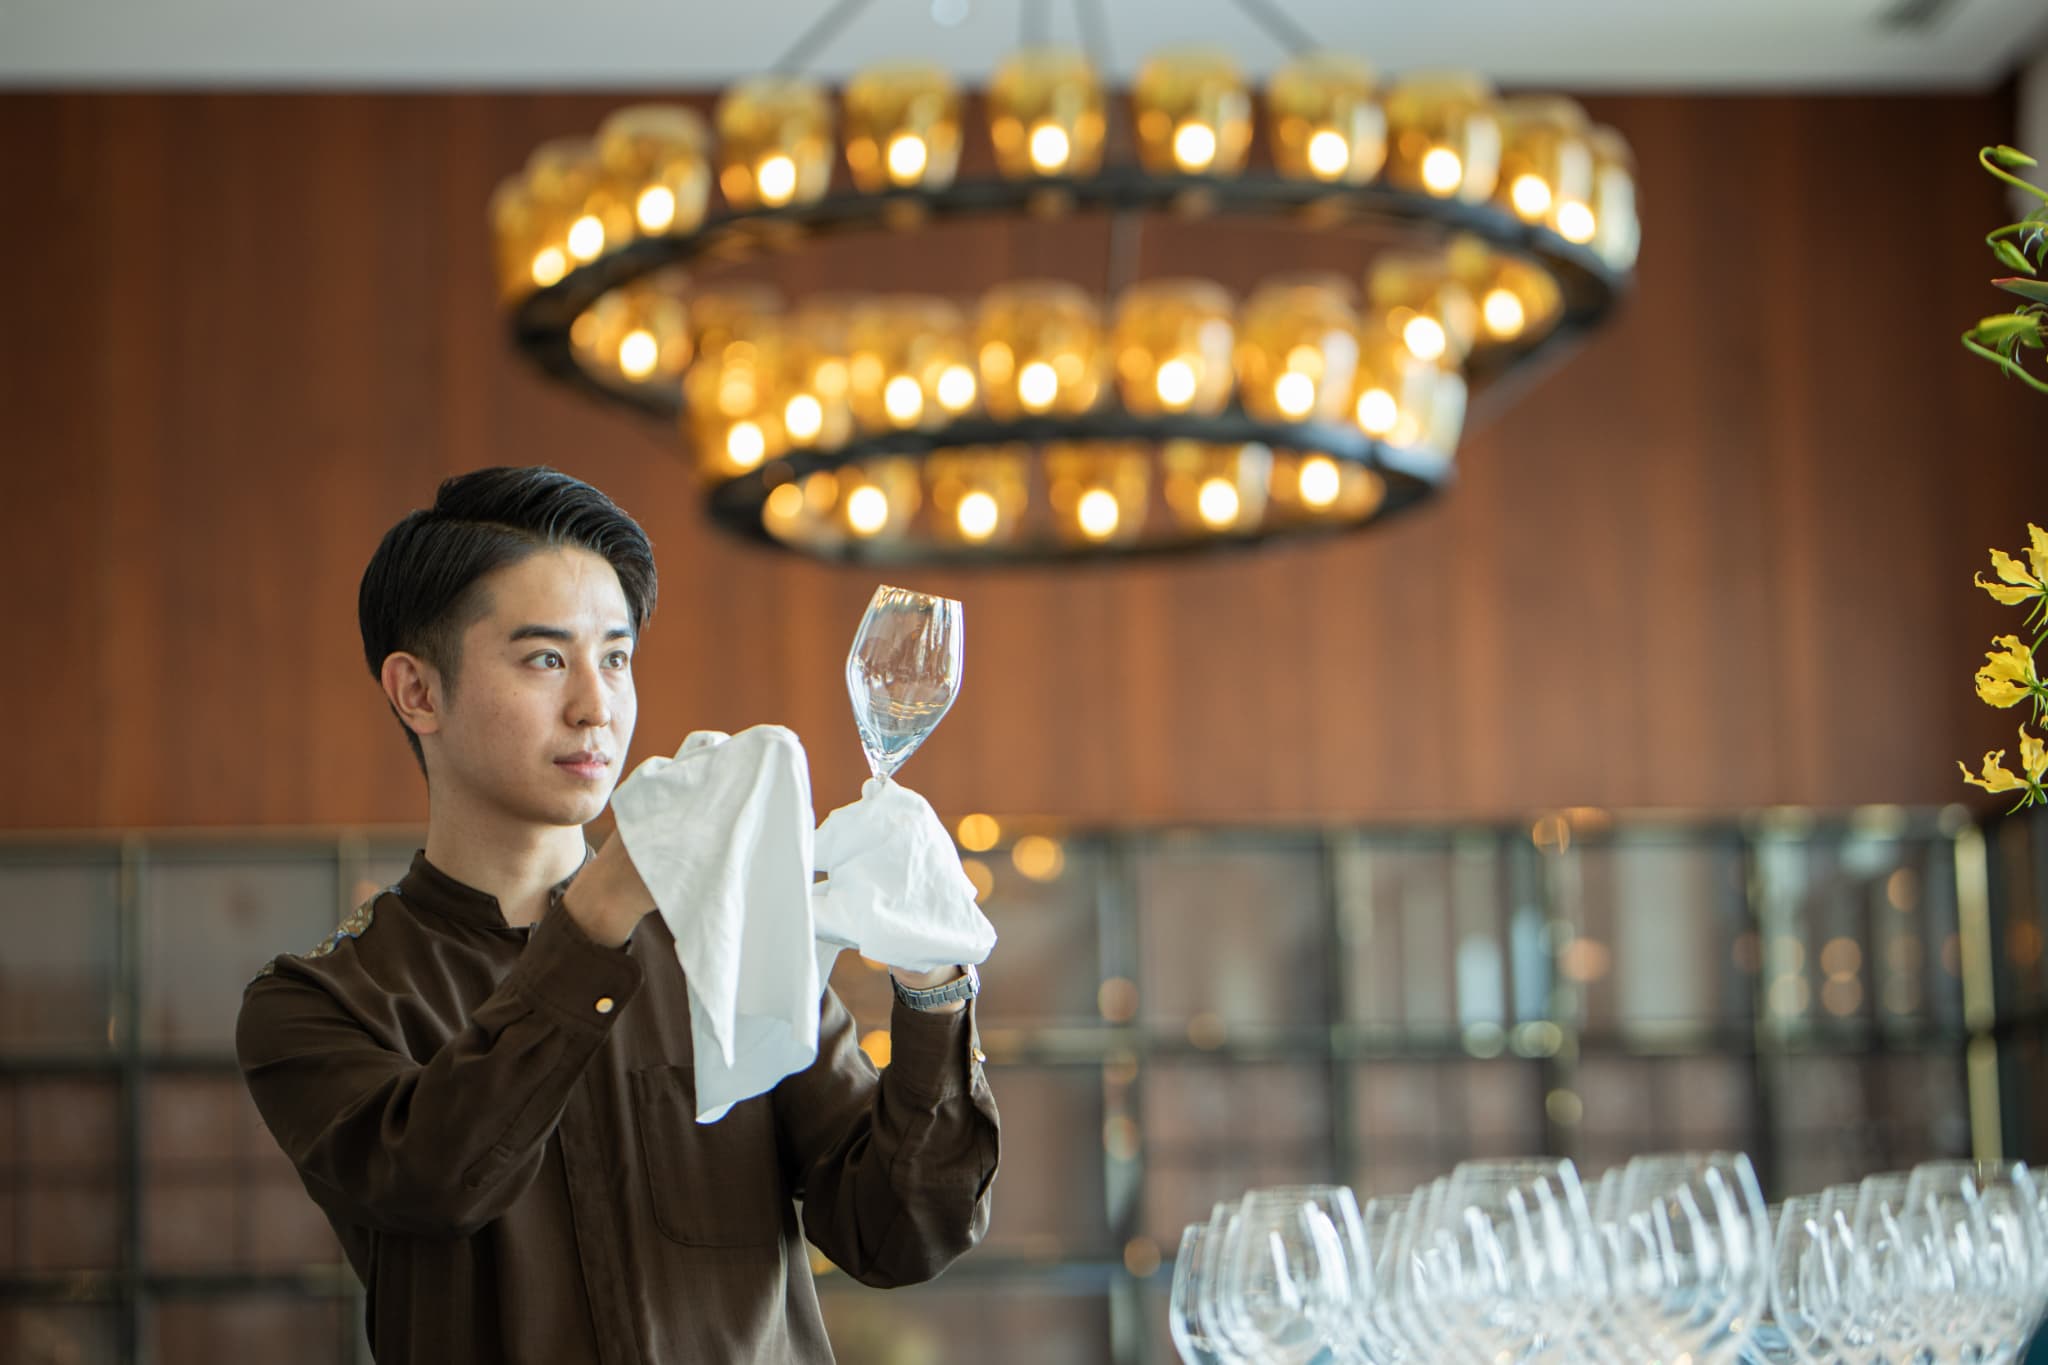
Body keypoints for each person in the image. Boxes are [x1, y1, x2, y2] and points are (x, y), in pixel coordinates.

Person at [236, 466, 999, 1363]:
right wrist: (602, 906)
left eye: (616, 658)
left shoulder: (716, 927)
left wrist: (931, 980)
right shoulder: (320, 1002)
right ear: (418, 691)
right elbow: (438, 1182)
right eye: (546, 659)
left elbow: (899, 1232)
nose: (596, 707)